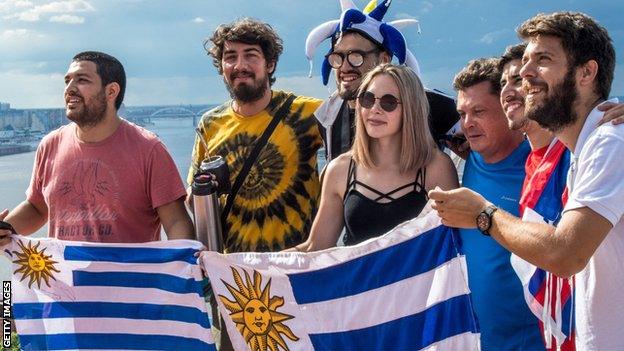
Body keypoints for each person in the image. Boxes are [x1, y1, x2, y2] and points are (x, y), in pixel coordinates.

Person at [430, 12, 623, 350]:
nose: (524, 73)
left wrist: (483, 215)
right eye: (525, 63)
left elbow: (566, 254)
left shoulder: (610, 142)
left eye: (543, 59)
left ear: (586, 72)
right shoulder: (585, 149)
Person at [0, 51, 193, 246]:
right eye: (67, 81)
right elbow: (37, 208)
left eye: (82, 80)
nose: (70, 88)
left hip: (129, 276)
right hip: (64, 276)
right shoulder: (50, 145)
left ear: (111, 92)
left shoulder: (149, 149)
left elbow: (176, 221)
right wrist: (5, 229)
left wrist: (184, 267)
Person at [187, 18, 323, 254]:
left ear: (269, 64)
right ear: (222, 67)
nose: (240, 65)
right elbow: (193, 198)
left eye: (250, 55)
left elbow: (367, 124)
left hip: (297, 266)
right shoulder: (209, 124)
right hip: (233, 274)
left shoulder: (308, 113)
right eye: (230, 57)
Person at [291, 64, 458, 251]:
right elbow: (315, 248)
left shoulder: (436, 168)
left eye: (389, 102)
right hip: (357, 281)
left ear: (411, 108)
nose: (375, 109)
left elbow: (452, 244)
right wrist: (253, 265)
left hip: (418, 281)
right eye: (367, 99)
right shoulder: (339, 170)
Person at [453, 57, 545, 350]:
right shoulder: (463, 156)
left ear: (508, 106)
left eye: (479, 111)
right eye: (462, 113)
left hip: (534, 340)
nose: (468, 123)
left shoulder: (542, 163)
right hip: (475, 340)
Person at [305, 0, 459, 162]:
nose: (344, 67)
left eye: (356, 56)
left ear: (384, 59)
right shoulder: (328, 114)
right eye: (337, 57)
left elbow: (480, 147)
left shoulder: (429, 104)